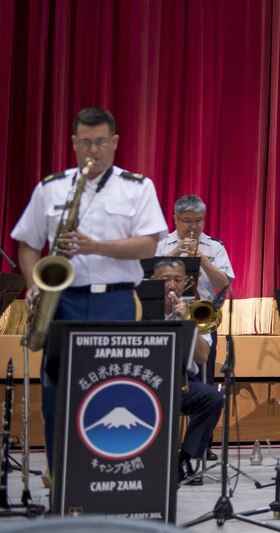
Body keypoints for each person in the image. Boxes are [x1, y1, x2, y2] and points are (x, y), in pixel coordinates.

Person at [11, 107, 167, 463]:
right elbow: (28, 244)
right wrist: (35, 283)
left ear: (114, 143)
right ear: (73, 143)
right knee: (56, 392)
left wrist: (94, 246)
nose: (92, 151)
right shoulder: (50, 188)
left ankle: (107, 474)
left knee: (112, 390)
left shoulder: (137, 188)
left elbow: (148, 245)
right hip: (62, 301)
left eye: (100, 143)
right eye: (85, 143)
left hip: (115, 301)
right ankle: (58, 477)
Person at [151, 258, 225, 486]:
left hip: (180, 381)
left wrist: (186, 322)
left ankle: (184, 458)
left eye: (177, 280)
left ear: (185, 282)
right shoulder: (140, 308)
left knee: (212, 397)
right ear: (154, 280)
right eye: (165, 280)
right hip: (146, 380)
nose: (172, 285)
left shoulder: (193, 313)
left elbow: (202, 357)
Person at [157, 194, 233, 379]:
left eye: (199, 220)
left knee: (204, 377)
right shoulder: (161, 245)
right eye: (188, 221)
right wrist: (175, 252)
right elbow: (148, 278)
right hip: (165, 315)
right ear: (176, 219)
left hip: (201, 317)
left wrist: (203, 261)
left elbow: (224, 285)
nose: (194, 226)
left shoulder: (215, 247)